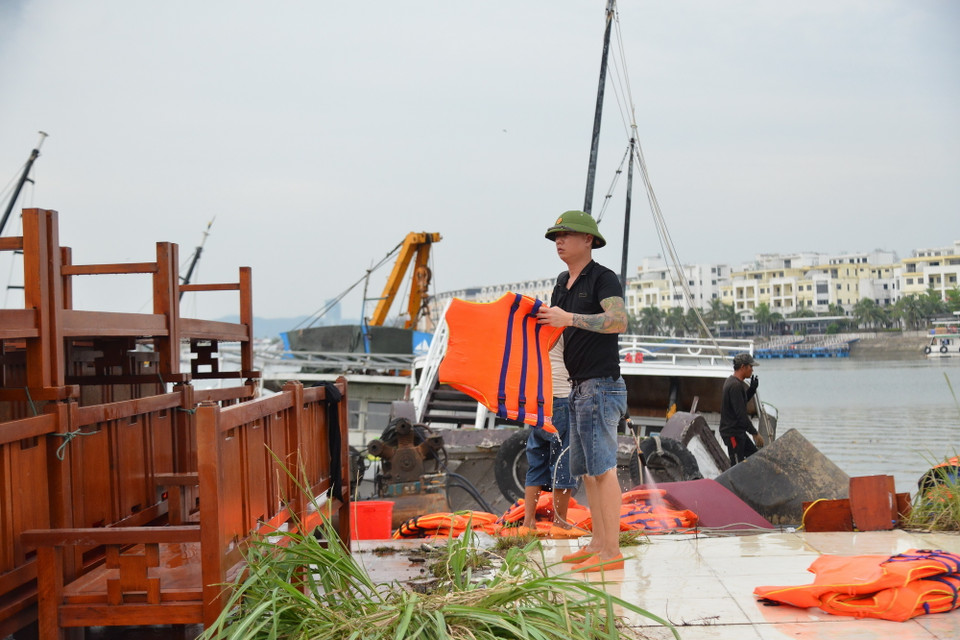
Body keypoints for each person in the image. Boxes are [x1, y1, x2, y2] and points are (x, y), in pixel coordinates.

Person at [536, 210, 628, 573]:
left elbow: (618, 320)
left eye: (567, 235)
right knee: (589, 472)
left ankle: (612, 553)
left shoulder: (602, 278)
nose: (559, 241)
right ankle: (598, 544)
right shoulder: (563, 282)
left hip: (601, 385)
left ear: (588, 240)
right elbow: (552, 328)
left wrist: (570, 318)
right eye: (556, 236)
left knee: (604, 471)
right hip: (577, 388)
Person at [521, 335, 578, 536]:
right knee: (564, 461)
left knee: (537, 460)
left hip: (535, 401)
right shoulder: (561, 328)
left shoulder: (532, 330)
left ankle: (528, 523)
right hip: (560, 399)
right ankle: (561, 524)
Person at [719, 352, 764, 465]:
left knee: (754, 457)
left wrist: (752, 389)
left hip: (738, 432)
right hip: (732, 433)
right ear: (743, 367)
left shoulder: (734, 382)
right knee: (736, 467)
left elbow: (740, 403)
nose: (752, 370)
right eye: (751, 367)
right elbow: (741, 415)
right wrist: (755, 434)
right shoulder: (735, 385)